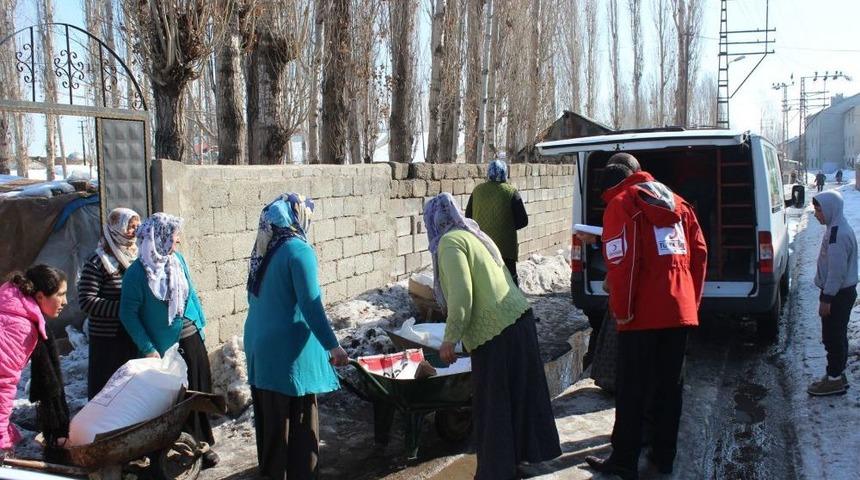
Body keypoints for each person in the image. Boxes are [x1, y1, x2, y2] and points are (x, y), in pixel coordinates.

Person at [585, 162, 707, 480]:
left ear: (609, 190)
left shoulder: (621, 205)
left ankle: (625, 460)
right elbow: (700, 252)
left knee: (632, 389)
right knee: (669, 388)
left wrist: (622, 311)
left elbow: (623, 263)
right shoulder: (679, 203)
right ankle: (662, 458)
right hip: (678, 311)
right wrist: (690, 303)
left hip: (640, 313)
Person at [427, 192, 561, 480]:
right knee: (518, 399)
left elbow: (462, 295)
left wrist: (451, 338)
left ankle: (494, 472)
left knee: (493, 406)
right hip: (518, 321)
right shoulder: (472, 234)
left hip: (496, 334)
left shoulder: (450, 244)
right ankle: (514, 462)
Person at [243, 193, 349, 480]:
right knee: (300, 431)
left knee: (273, 430)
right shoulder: (298, 250)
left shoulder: (265, 248)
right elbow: (311, 305)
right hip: (287, 356)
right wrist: (333, 346)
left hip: (260, 348)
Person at [119, 213, 219, 468]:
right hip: (163, 348)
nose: (178, 242)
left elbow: (191, 293)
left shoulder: (178, 261)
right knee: (174, 402)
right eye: (174, 238)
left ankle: (202, 444)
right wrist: (147, 348)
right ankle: (173, 448)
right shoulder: (137, 273)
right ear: (159, 239)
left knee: (199, 391)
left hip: (191, 339)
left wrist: (201, 325)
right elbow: (127, 314)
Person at [578, 153, 642, 371]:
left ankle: (612, 379)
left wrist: (621, 310)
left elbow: (628, 255)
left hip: (630, 294)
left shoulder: (622, 205)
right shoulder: (661, 200)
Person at [0, 265, 69, 459]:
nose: (65, 302)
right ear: (39, 296)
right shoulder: (19, 328)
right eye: (60, 294)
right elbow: (2, 385)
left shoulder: (11, 307)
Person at [78, 207, 141, 399]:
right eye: (130, 227)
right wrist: (124, 309)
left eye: (137, 227)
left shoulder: (137, 256)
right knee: (106, 390)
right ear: (117, 228)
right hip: (108, 339)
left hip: (131, 333)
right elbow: (87, 301)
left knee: (128, 387)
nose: (134, 232)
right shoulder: (98, 261)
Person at [807, 191, 858, 396]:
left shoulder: (837, 235)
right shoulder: (835, 228)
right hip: (841, 292)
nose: (816, 214)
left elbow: (837, 272)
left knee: (832, 337)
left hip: (837, 294)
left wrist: (826, 299)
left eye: (818, 210)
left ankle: (834, 379)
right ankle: (838, 374)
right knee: (838, 335)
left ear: (830, 209)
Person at [465, 159, 528, 285]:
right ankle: (514, 304)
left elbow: (468, 216)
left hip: (482, 245)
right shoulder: (511, 192)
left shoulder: (477, 191)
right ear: (505, 173)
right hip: (505, 248)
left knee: (485, 281)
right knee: (509, 280)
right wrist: (506, 227)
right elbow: (523, 220)